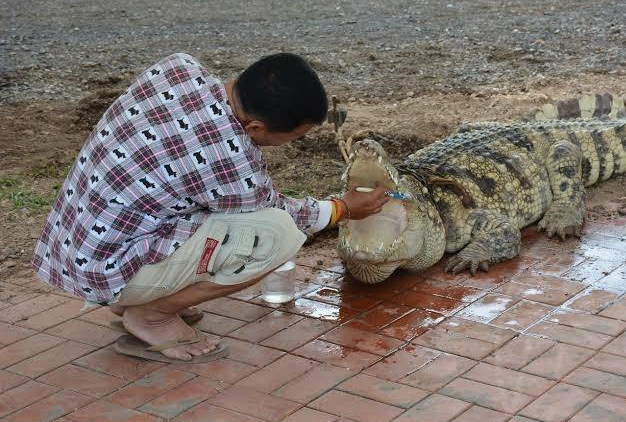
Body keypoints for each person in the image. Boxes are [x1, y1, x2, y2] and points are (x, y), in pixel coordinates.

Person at [32, 52, 388, 363]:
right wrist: (342, 208)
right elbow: (279, 209)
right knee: (278, 234)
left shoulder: (178, 68)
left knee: (218, 212)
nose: (294, 143)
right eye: (295, 137)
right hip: (104, 268)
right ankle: (151, 316)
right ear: (255, 126)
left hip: (74, 244)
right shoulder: (231, 156)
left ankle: (137, 298)